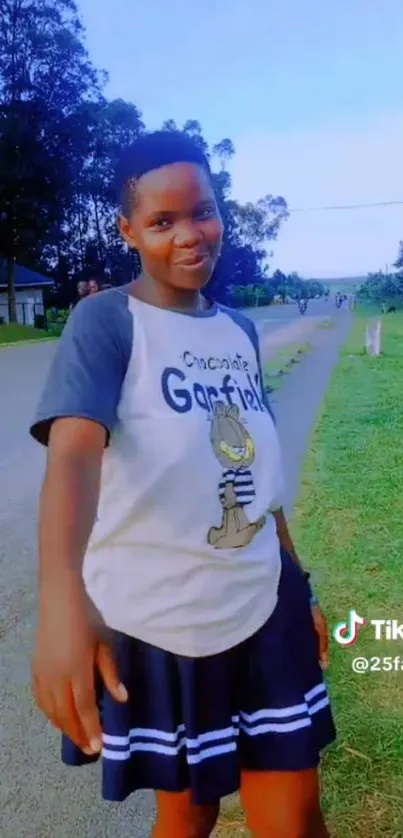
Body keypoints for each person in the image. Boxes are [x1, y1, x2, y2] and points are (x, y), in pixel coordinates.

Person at [30, 130, 336, 838]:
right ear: (127, 230)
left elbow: (254, 471)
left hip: (263, 606)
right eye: (162, 221)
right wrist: (61, 606)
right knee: (189, 811)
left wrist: (299, 582)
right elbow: (72, 458)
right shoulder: (105, 322)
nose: (189, 235)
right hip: (162, 620)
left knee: (293, 821)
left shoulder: (238, 331)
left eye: (201, 212)